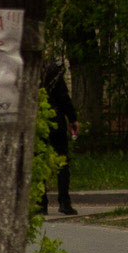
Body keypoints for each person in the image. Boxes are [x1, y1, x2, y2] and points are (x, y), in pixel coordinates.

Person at [41, 63, 79, 215]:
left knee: (40, 159)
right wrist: (72, 118)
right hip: (56, 119)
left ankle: (41, 203)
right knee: (62, 160)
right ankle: (64, 201)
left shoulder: (30, 71)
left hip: (38, 120)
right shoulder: (54, 74)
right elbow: (64, 98)